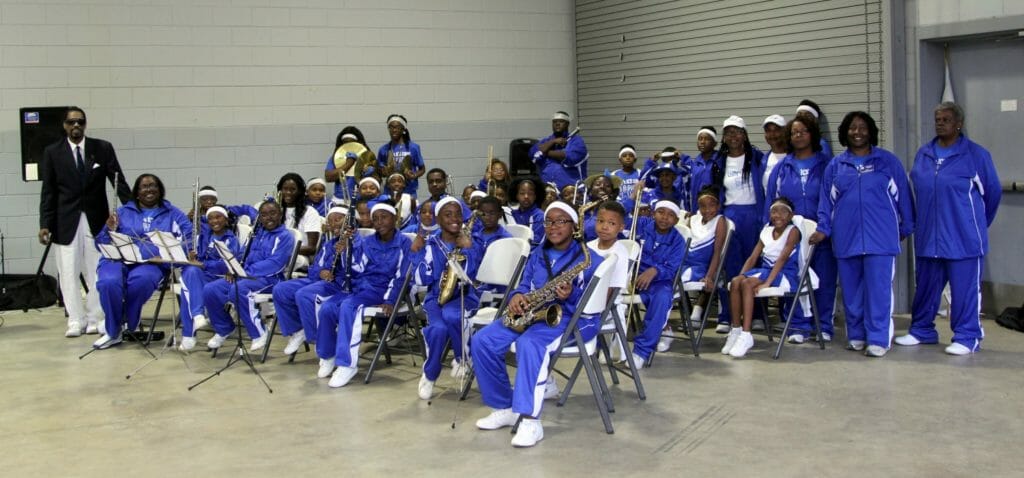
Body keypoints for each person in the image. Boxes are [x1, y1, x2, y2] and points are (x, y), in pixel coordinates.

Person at [472, 201, 602, 448]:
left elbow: (593, 303)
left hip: (565, 318)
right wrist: (516, 297)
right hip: (532, 313)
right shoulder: (537, 253)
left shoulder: (588, 258)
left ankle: (531, 420)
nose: (553, 226)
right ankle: (504, 407)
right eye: (549, 221)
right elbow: (524, 285)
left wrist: (571, 295)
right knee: (482, 341)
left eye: (561, 221)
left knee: (529, 344)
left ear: (574, 226)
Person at [897, 102, 1001, 355]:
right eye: (937, 119)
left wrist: (972, 224)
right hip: (929, 237)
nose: (940, 122)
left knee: (964, 291)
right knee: (926, 288)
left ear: (958, 124)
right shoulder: (924, 153)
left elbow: (993, 194)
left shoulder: (976, 155)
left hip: (963, 239)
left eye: (945, 119)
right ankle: (922, 330)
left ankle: (967, 337)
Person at [814, 111, 914, 357]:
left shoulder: (888, 162)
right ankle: (856, 335)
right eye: (852, 128)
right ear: (845, 132)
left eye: (862, 127)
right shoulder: (835, 166)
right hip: (846, 239)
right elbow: (826, 204)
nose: (857, 132)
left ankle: (879, 338)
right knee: (851, 293)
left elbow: (905, 198)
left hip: (881, 240)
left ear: (871, 132)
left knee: (879, 291)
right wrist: (824, 229)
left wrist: (905, 227)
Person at [38, 106, 131, 338]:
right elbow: (48, 191)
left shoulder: (102, 148)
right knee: (68, 271)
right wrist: (45, 223)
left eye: (80, 121)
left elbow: (118, 180)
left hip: (96, 219)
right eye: (71, 122)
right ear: (65, 126)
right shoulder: (52, 152)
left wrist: (132, 211)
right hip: (64, 220)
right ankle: (75, 320)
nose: (76, 126)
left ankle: (95, 317)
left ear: (85, 124)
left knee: (96, 270)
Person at [317, 203, 412, 387]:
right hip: (361, 287)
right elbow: (358, 267)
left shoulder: (403, 243)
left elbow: (402, 277)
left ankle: (347, 364)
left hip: (382, 291)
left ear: (395, 219)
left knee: (349, 306)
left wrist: (391, 300)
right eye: (375, 218)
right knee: (327, 308)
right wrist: (347, 250)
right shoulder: (369, 242)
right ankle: (329, 355)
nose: (379, 222)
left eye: (384, 217)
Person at [92, 174, 192, 349]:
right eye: (144, 187)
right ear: (137, 193)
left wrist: (176, 254)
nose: (149, 189)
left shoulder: (173, 214)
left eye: (153, 185)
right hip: (118, 259)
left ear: (160, 190)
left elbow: (189, 238)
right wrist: (108, 229)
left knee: (141, 282)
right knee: (109, 282)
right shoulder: (122, 212)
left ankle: (117, 326)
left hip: (151, 263)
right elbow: (100, 242)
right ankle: (114, 331)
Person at [765, 116, 837, 343]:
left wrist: (825, 227)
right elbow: (772, 203)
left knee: (823, 281)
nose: (798, 135)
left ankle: (822, 325)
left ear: (813, 134)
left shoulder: (827, 165)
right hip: (791, 237)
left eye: (803, 131)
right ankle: (797, 325)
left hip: (821, 235)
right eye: (794, 132)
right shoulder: (782, 167)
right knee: (793, 278)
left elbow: (832, 199)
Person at [410, 197, 484, 399]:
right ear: (438, 219)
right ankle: (430, 373)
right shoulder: (430, 243)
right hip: (435, 297)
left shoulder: (472, 241)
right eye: (448, 215)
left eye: (458, 214)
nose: (454, 219)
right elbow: (421, 279)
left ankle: (462, 358)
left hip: (464, 295)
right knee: (438, 329)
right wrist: (416, 252)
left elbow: (475, 275)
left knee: (453, 316)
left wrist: (468, 249)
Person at [203, 200, 296, 352]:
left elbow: (275, 263)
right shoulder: (256, 234)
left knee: (238, 290)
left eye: (273, 213)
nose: (268, 218)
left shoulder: (285, 236)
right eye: (264, 215)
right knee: (210, 290)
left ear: (280, 215)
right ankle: (224, 328)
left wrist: (245, 272)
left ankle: (259, 332)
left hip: (270, 279)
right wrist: (234, 268)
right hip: (245, 276)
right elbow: (242, 255)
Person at [722, 198, 801, 358]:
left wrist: (767, 283)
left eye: (782, 211)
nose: (777, 215)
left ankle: (746, 334)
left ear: (790, 214)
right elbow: (752, 257)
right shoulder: (766, 230)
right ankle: (736, 330)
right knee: (737, 282)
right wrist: (740, 274)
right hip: (766, 271)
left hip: (785, 273)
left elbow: (782, 259)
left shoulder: (793, 231)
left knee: (747, 284)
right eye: (774, 211)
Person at [272, 207, 350, 356]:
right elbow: (314, 268)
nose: (334, 224)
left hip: (337, 285)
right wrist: (321, 272)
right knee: (281, 289)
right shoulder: (329, 244)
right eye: (330, 221)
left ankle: (318, 339)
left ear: (349, 221)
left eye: (338, 219)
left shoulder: (357, 243)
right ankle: (298, 330)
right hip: (317, 280)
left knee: (304, 294)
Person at [714, 115, 765, 333]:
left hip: (753, 214)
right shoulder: (719, 162)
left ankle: (757, 315)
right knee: (730, 267)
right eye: (728, 133)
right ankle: (727, 315)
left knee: (755, 265)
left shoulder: (757, 157)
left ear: (744, 135)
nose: (733, 136)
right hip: (730, 216)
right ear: (723, 137)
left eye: (737, 132)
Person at [628, 201, 685, 365]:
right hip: (631, 275)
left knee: (662, 299)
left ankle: (642, 351)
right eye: (661, 212)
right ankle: (608, 344)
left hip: (659, 281)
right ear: (653, 214)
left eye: (670, 215)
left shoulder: (678, 240)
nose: (664, 217)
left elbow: (673, 267)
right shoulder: (642, 224)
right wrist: (631, 199)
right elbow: (621, 217)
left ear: (676, 220)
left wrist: (655, 271)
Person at [177, 205, 241, 351]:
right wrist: (193, 257)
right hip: (203, 274)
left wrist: (202, 264)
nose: (214, 221)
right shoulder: (204, 237)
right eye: (211, 218)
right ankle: (198, 315)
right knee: (190, 272)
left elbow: (227, 264)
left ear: (226, 220)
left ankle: (189, 333)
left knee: (187, 288)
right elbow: (198, 258)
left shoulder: (231, 239)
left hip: (220, 277)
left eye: (218, 217)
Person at [680, 186, 729, 329]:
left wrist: (709, 276)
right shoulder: (693, 219)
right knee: (667, 278)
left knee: (676, 282)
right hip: (686, 263)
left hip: (703, 267)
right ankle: (685, 315)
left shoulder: (720, 220)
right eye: (703, 206)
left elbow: (717, 252)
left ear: (718, 205)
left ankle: (695, 314)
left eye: (711, 205)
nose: (707, 210)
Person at [587, 201, 630, 362]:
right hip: (584, 299)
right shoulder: (588, 247)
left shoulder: (620, 253)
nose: (604, 227)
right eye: (600, 221)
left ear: (620, 227)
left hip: (606, 306)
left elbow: (611, 289)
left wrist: (587, 308)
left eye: (611, 223)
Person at [530, 111, 588, 190]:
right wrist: (553, 142)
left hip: (572, 191)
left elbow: (571, 158)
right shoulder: (546, 140)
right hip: (548, 191)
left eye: (561, 121)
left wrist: (545, 151)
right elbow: (533, 154)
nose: (557, 124)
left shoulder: (577, 141)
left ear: (567, 124)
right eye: (554, 122)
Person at [276, 173, 322, 266]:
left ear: (300, 191)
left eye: (293, 189)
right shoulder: (276, 210)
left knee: (278, 260)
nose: (288, 192)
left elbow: (312, 248)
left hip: (299, 256)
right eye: (285, 189)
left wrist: (284, 250)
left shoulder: (310, 212)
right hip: (278, 253)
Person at [377, 114, 425, 196]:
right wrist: (383, 172)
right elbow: (379, 171)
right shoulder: (383, 149)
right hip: (389, 191)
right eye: (391, 127)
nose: (393, 130)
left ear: (403, 129)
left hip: (409, 190)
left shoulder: (413, 147)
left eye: (396, 127)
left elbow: (422, 169)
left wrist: (414, 175)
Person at [324, 126, 374, 201]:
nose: (348, 146)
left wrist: (370, 174)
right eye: (345, 143)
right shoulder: (335, 158)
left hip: (362, 200)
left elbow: (378, 181)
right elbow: (328, 177)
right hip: (340, 199)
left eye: (351, 142)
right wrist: (349, 163)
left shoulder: (367, 157)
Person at [684, 126, 721, 213]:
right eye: (700, 139)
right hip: (697, 211)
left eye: (707, 139)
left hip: (714, 211)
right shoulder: (696, 164)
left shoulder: (720, 162)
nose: (702, 142)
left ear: (714, 143)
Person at [510, 176, 546, 248]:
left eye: (530, 193)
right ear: (516, 195)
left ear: (535, 196)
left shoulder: (540, 216)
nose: (526, 196)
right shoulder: (511, 214)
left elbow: (535, 243)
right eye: (522, 193)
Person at [761, 114, 788, 193]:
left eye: (776, 130)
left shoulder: (795, 158)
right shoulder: (763, 162)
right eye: (768, 131)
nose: (772, 134)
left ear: (785, 132)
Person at [612, 145, 641, 213]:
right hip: (619, 209)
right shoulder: (614, 174)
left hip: (636, 209)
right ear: (620, 159)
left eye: (631, 156)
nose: (628, 158)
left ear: (635, 159)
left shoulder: (640, 173)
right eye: (624, 156)